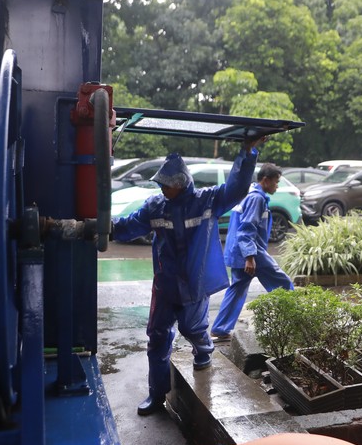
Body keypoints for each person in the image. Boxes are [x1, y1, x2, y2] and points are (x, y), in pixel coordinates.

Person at [111, 137, 264, 416]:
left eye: (166, 184)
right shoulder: (155, 206)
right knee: (157, 337)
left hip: (194, 284)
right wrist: (102, 227)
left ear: (181, 183)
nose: (162, 188)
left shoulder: (207, 201)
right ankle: (156, 396)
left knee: (191, 329)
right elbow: (128, 226)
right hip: (166, 285)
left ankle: (203, 351)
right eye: (160, 184)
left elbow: (237, 188)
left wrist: (247, 153)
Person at [210, 163, 294, 342]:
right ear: (266, 180)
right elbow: (246, 229)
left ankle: (220, 328)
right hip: (251, 253)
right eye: (276, 182)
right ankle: (293, 323)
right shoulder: (256, 198)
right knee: (283, 284)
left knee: (237, 289)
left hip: (241, 251)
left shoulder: (248, 195)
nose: (277, 186)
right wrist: (250, 258)